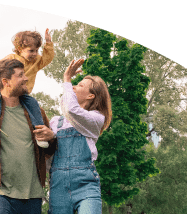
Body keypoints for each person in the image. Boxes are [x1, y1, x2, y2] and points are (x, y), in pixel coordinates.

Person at [0, 58, 58, 214]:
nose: (26, 78)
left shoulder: (37, 113)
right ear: (6, 82)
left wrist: (51, 138)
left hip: (32, 195)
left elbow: (48, 152)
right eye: (20, 75)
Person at [46, 58, 113, 214]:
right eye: (74, 84)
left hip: (86, 185)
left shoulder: (96, 119)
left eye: (80, 85)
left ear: (91, 96)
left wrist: (67, 80)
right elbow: (47, 157)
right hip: (58, 187)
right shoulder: (56, 122)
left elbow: (71, 109)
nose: (74, 87)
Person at [0, 29, 55, 141]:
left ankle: (40, 133)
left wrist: (49, 43)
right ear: (20, 49)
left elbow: (48, 58)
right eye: (31, 51)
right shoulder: (11, 58)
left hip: (22, 93)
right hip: (2, 89)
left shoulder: (36, 62)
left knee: (33, 104)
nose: (35, 54)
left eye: (37, 50)